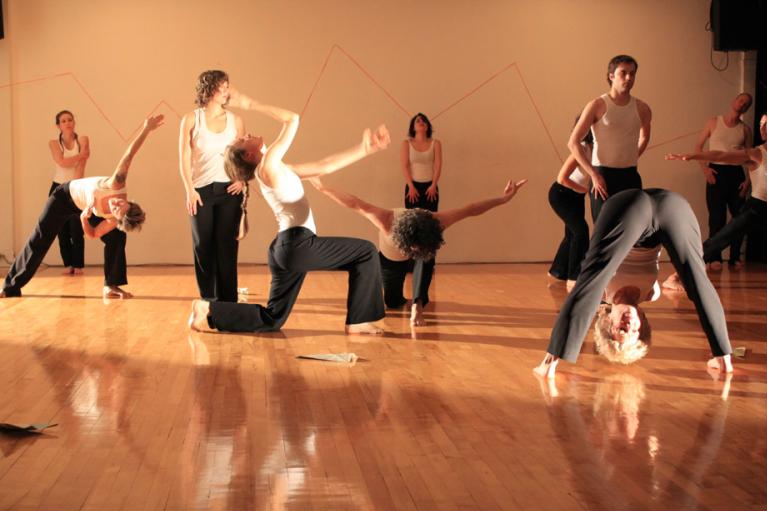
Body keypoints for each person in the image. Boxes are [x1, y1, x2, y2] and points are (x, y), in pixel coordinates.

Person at [187, 90, 390, 334]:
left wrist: (365, 149)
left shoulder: (277, 168)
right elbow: (292, 119)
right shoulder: (267, 167)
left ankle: (209, 309)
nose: (245, 135)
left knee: (273, 319)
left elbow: (323, 166)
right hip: (297, 244)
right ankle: (358, 322)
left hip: (285, 248)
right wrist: (251, 103)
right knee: (366, 252)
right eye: (241, 140)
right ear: (248, 155)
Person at [534, 188, 734, 379]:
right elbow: (698, 287)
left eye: (621, 331)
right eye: (635, 332)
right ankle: (724, 358)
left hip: (626, 207)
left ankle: (549, 361)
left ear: (607, 323)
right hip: (672, 206)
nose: (628, 326)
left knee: (592, 280)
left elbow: (584, 294)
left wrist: (550, 362)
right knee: (697, 280)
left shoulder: (601, 293)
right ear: (642, 324)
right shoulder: (652, 293)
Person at [309, 178, 527, 326]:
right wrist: (323, 188)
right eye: (413, 248)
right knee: (392, 302)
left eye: (417, 248)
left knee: (427, 259)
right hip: (390, 260)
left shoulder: (437, 221)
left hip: (422, 254)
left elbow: (471, 209)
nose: (413, 252)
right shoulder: (387, 220)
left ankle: (417, 305)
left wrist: (503, 198)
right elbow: (355, 204)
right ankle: (404, 300)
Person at [1, 115, 162, 299]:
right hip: (63, 197)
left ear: (116, 219)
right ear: (128, 201)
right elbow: (130, 154)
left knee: (117, 236)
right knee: (40, 237)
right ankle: (11, 287)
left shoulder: (112, 220)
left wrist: (84, 219)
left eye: (117, 211)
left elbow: (92, 234)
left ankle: (111, 285)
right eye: (121, 203)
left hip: (84, 208)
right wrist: (146, 129)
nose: (115, 205)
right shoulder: (117, 183)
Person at [667, 110, 767, 264]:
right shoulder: (756, 153)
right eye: (760, 124)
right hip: (755, 209)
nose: (762, 128)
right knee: (720, 239)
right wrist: (692, 156)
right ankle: (682, 270)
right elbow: (721, 156)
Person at [179, 70, 246, 302]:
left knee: (226, 247)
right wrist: (189, 190)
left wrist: (241, 179)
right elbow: (184, 157)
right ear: (208, 89)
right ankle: (208, 300)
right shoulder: (191, 119)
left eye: (228, 86)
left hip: (230, 191)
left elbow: (242, 155)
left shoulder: (236, 121)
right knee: (203, 246)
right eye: (222, 87)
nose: (227, 91)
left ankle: (229, 302)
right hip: (200, 192)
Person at [568, 54, 652, 220]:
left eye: (632, 73)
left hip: (630, 175)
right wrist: (593, 174)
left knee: (633, 227)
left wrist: (632, 156)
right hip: (603, 176)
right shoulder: (597, 105)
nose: (628, 77)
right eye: (623, 73)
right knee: (604, 229)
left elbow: (644, 137)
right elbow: (573, 142)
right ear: (611, 76)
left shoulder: (643, 108)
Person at [693, 93, 753, 270]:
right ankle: (714, 257)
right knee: (716, 218)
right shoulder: (713, 122)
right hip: (716, 173)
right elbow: (698, 147)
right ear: (734, 101)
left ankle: (734, 257)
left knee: (739, 218)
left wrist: (748, 181)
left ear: (747, 109)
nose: (742, 104)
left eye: (746, 104)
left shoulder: (745, 129)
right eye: (741, 100)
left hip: (736, 175)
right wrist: (705, 170)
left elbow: (751, 157)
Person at [548, 119, 592, 289]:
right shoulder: (582, 148)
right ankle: (575, 276)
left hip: (576, 196)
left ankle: (558, 271)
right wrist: (585, 190)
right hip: (561, 194)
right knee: (581, 232)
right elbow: (562, 178)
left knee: (572, 234)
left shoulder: (597, 150)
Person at [48, 110, 90, 275]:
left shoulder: (83, 139)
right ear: (58, 125)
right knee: (61, 229)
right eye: (63, 121)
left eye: (70, 120)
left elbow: (82, 164)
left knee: (77, 227)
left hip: (77, 186)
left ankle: (78, 265)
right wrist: (80, 156)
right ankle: (68, 264)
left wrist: (74, 187)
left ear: (74, 122)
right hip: (58, 187)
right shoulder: (53, 143)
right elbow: (61, 162)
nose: (67, 123)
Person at [402, 112, 442, 211]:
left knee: (430, 219)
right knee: (412, 219)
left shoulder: (436, 143)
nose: (421, 122)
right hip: (412, 188)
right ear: (413, 127)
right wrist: (411, 186)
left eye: (424, 120)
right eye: (418, 121)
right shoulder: (406, 143)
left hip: (431, 188)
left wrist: (433, 185)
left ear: (427, 126)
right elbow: (405, 166)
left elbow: (438, 166)